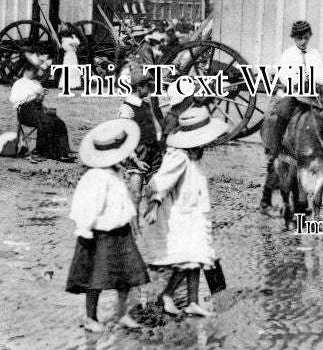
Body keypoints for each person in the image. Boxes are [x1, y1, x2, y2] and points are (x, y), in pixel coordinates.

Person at [144, 106, 229, 317]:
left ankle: (192, 301)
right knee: (190, 258)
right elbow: (163, 178)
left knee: (198, 258)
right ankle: (167, 294)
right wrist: (155, 202)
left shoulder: (196, 153)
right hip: (183, 215)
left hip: (197, 213)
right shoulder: (179, 156)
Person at [66, 118, 149, 333]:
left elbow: (124, 201)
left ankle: (123, 314)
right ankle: (91, 318)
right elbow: (85, 207)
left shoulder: (114, 174)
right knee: (95, 278)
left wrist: (133, 222)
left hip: (120, 233)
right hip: (99, 234)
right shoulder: (95, 178)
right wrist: (84, 230)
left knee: (127, 276)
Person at [260, 20, 323, 215]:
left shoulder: (315, 54)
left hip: (312, 96)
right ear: (294, 38)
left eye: (306, 37)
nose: (303, 41)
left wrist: (315, 79)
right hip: (294, 94)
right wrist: (298, 81)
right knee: (282, 112)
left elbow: (322, 74)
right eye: (300, 38)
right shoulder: (288, 54)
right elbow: (283, 75)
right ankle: (274, 147)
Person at [118, 65, 163, 215]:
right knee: (135, 196)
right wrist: (136, 160)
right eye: (148, 86)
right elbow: (123, 138)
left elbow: (155, 128)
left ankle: (153, 228)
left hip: (153, 154)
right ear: (138, 87)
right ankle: (132, 228)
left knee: (156, 192)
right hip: (137, 155)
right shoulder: (126, 109)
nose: (150, 90)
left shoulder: (146, 105)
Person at [9, 60, 74, 162]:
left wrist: (40, 95)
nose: (34, 74)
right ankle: (41, 151)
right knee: (46, 122)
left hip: (37, 108)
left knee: (59, 122)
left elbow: (38, 100)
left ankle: (63, 151)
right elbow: (14, 99)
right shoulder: (19, 83)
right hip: (25, 111)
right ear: (26, 71)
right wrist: (33, 95)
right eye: (32, 71)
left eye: (35, 71)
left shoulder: (36, 83)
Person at [58, 25, 82, 91]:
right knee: (72, 70)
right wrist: (74, 36)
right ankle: (72, 85)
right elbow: (77, 42)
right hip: (71, 55)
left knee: (68, 70)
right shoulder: (68, 40)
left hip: (68, 56)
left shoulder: (64, 40)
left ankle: (66, 84)